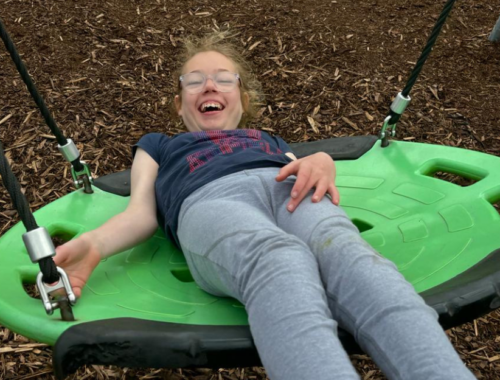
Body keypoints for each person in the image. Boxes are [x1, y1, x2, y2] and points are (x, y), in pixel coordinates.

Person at [54, 33, 476, 380]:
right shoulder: (160, 146)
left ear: (242, 98)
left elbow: (303, 169)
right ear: (179, 103)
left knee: (353, 257)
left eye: (223, 78)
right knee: (278, 258)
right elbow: (141, 213)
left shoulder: (268, 140)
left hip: (286, 187)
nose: (209, 86)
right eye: (194, 80)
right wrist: (93, 245)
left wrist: (322, 161)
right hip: (210, 201)